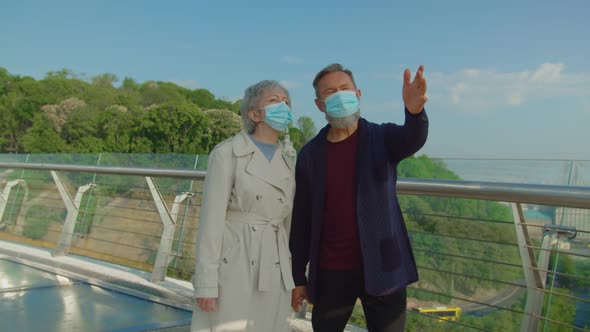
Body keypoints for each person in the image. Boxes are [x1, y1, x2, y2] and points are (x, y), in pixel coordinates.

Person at [289, 63, 429, 332]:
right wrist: (298, 276)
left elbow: (412, 138)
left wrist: (415, 112)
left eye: (345, 88)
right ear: (320, 105)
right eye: (331, 92)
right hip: (331, 269)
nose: (339, 95)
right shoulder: (310, 155)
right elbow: (302, 220)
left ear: (358, 94)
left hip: (384, 268)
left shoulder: (382, 137)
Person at [191, 80, 297, 332]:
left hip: (276, 261)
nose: (283, 105)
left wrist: (295, 276)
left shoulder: (291, 159)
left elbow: (289, 223)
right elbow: (211, 222)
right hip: (236, 258)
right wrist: (206, 283)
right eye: (274, 101)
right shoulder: (228, 153)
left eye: (287, 101)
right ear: (254, 113)